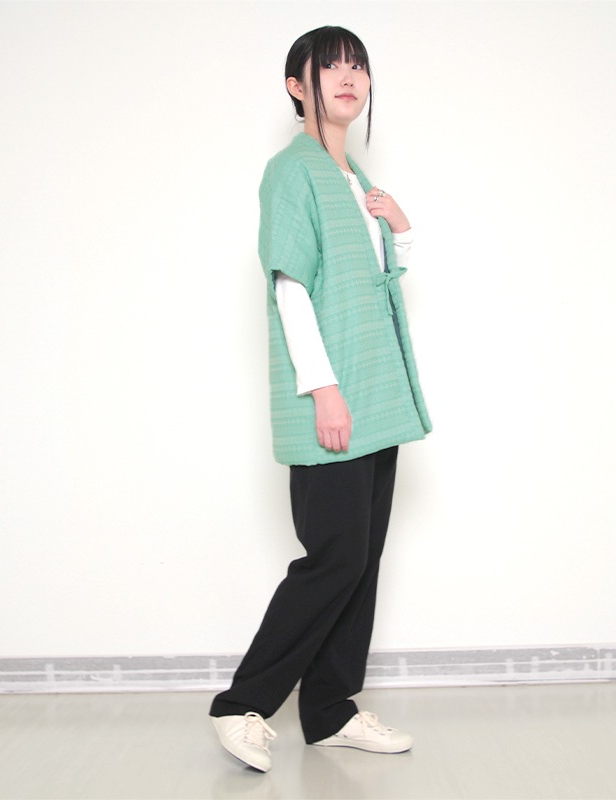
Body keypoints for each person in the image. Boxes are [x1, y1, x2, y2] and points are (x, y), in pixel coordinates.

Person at [209, 25, 432, 773]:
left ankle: (331, 709)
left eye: (358, 65)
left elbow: (377, 282)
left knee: (361, 558)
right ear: (296, 86)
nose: (348, 76)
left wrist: (400, 228)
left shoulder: (354, 176)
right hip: (336, 395)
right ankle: (241, 704)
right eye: (331, 65)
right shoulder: (292, 172)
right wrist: (323, 389)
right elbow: (290, 283)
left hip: (379, 395)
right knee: (334, 558)